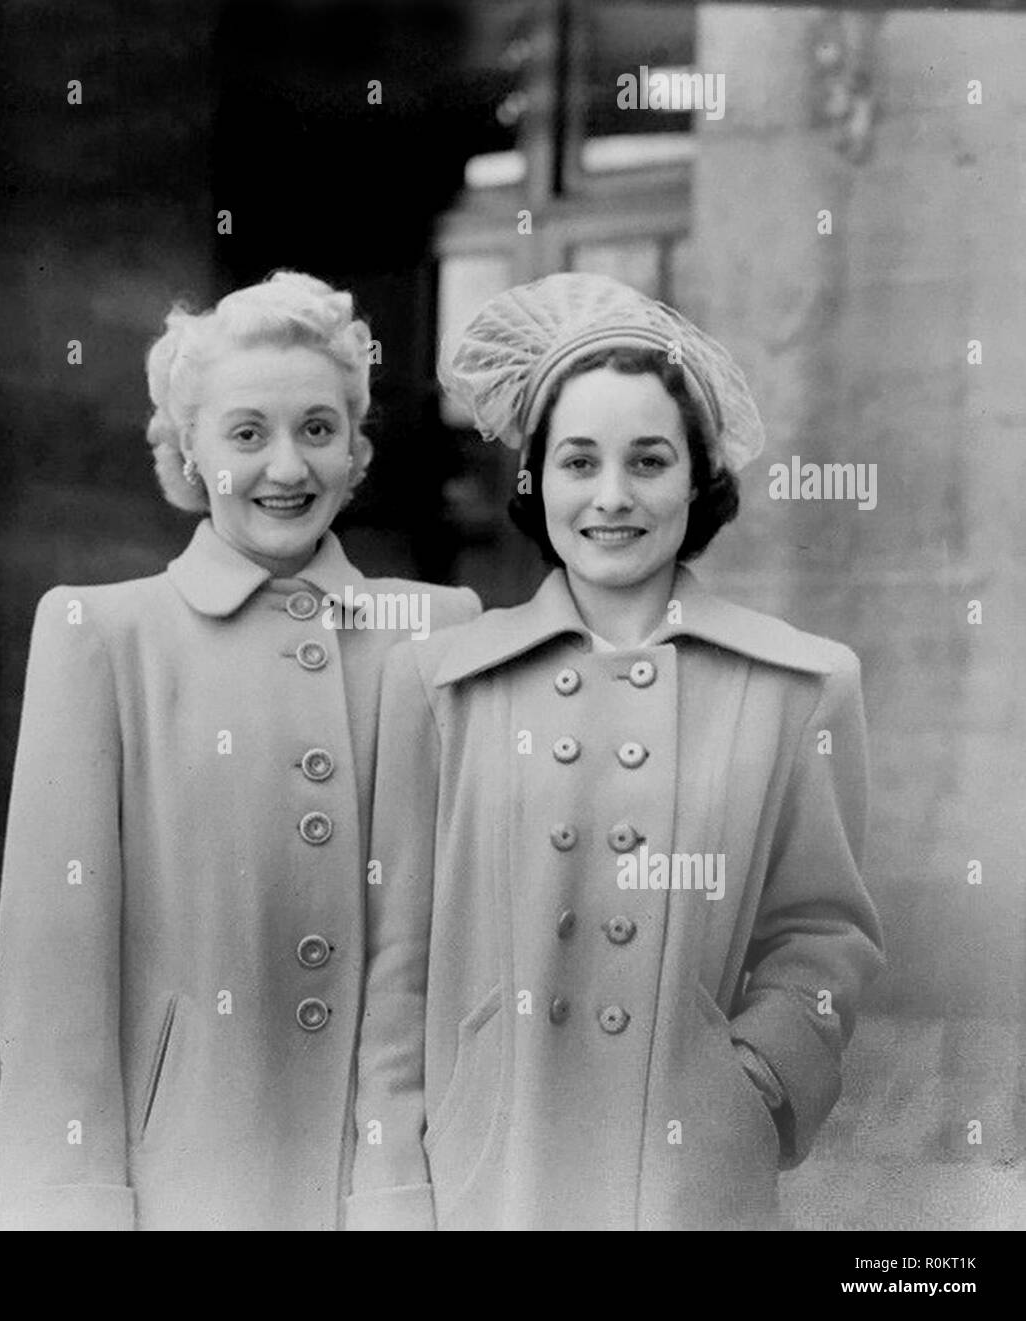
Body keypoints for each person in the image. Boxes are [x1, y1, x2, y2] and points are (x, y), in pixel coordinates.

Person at [347, 272, 884, 1230]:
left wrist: (750, 1083)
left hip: (691, 1178)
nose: (611, 497)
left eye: (648, 461)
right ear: (536, 477)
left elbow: (824, 935)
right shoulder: (439, 684)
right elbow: (399, 968)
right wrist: (393, 1184)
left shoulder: (803, 686)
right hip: (487, 1173)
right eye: (578, 460)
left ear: (698, 479)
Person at [0, 271, 479, 1230]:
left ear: (358, 451)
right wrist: (69, 1205)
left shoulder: (441, 630)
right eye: (247, 434)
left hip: (387, 1177)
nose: (287, 468)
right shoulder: (102, 634)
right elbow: (57, 979)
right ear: (185, 452)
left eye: (319, 430)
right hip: (181, 1179)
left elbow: (448, 940)